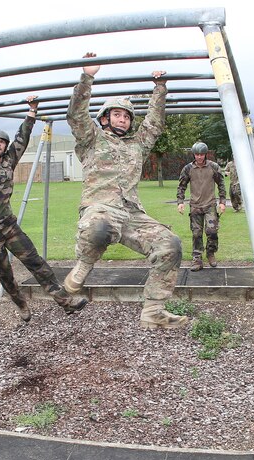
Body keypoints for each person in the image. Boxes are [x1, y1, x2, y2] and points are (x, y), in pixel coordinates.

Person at [63, 53, 188, 330]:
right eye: (116, 115)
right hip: (101, 208)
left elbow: (154, 125)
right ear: (105, 118)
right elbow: (75, 116)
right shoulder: (91, 139)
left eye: (126, 117)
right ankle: (83, 266)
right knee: (99, 228)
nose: (122, 120)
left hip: (131, 213)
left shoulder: (137, 145)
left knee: (170, 245)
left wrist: (159, 89)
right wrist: (87, 77)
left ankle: (154, 310)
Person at [0, 90, 87, 322]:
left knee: (35, 261)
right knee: (4, 272)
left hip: (8, 225)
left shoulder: (10, 161)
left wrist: (32, 112)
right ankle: (21, 304)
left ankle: (66, 302)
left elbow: (22, 138)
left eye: (1, 142)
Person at [176, 142, 226, 271]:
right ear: (194, 154)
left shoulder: (213, 167)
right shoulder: (188, 169)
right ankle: (197, 259)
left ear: (205, 154)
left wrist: (222, 202)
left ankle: (210, 253)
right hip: (195, 206)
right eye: (197, 154)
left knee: (212, 231)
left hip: (210, 205)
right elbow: (182, 186)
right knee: (196, 233)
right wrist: (180, 202)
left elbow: (221, 184)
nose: (199, 157)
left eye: (202, 154)